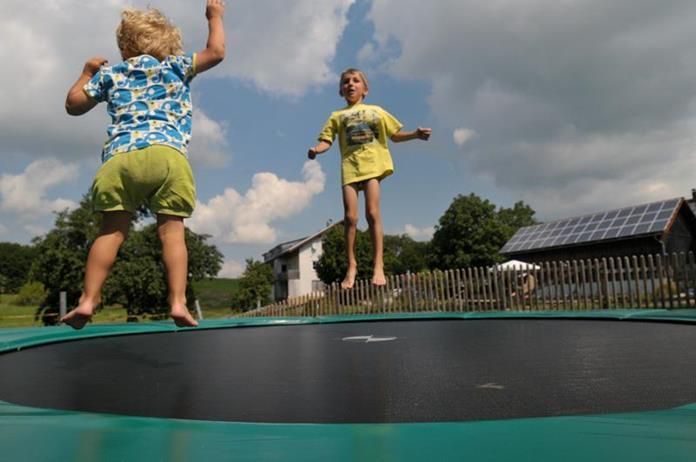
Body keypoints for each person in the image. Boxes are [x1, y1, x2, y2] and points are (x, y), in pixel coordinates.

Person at [60, 0, 226, 329]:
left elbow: (73, 106)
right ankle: (178, 302)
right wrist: (214, 16)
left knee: (111, 232)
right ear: (168, 46)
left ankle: (88, 300)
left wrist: (86, 72)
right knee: (173, 234)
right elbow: (217, 52)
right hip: (168, 157)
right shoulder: (176, 66)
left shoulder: (110, 74)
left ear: (124, 47)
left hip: (121, 160)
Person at [308, 68, 431, 288]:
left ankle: (378, 265)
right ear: (341, 90)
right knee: (350, 218)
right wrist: (317, 149)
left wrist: (415, 135)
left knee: (372, 213)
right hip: (350, 168)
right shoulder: (337, 115)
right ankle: (352, 265)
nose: (351, 84)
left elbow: (394, 136)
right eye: (346, 82)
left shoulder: (376, 111)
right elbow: (327, 140)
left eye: (356, 81)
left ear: (365, 89)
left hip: (373, 166)